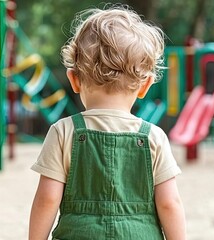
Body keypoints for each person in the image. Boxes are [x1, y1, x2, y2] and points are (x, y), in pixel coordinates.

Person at [29, 6, 186, 240]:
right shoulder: (154, 137)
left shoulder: (63, 131)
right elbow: (169, 204)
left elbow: (47, 199)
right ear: (145, 85)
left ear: (74, 80)